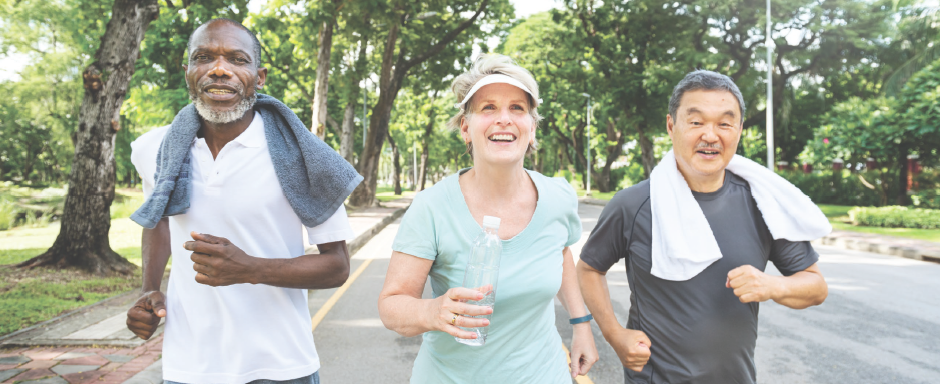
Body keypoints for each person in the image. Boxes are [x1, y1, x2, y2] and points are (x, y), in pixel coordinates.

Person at [124, 18, 362, 384]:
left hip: (282, 365)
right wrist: (149, 290)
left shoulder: (303, 157)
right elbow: (159, 219)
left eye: (237, 59)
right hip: (189, 366)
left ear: (259, 75)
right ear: (186, 69)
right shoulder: (153, 148)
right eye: (204, 57)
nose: (220, 70)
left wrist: (250, 268)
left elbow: (337, 266)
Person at [577, 70, 829, 384]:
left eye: (724, 123)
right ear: (671, 125)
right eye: (696, 122)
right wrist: (615, 335)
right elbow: (588, 269)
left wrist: (773, 286)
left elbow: (816, 287)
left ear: (739, 130)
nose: (710, 135)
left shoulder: (762, 203)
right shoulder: (633, 204)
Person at [377, 54, 598, 383]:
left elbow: (560, 253)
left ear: (532, 128)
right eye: (488, 108)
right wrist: (431, 311)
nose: (504, 119)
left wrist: (581, 325)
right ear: (466, 128)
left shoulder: (557, 197)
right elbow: (392, 305)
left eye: (517, 108)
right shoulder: (432, 207)